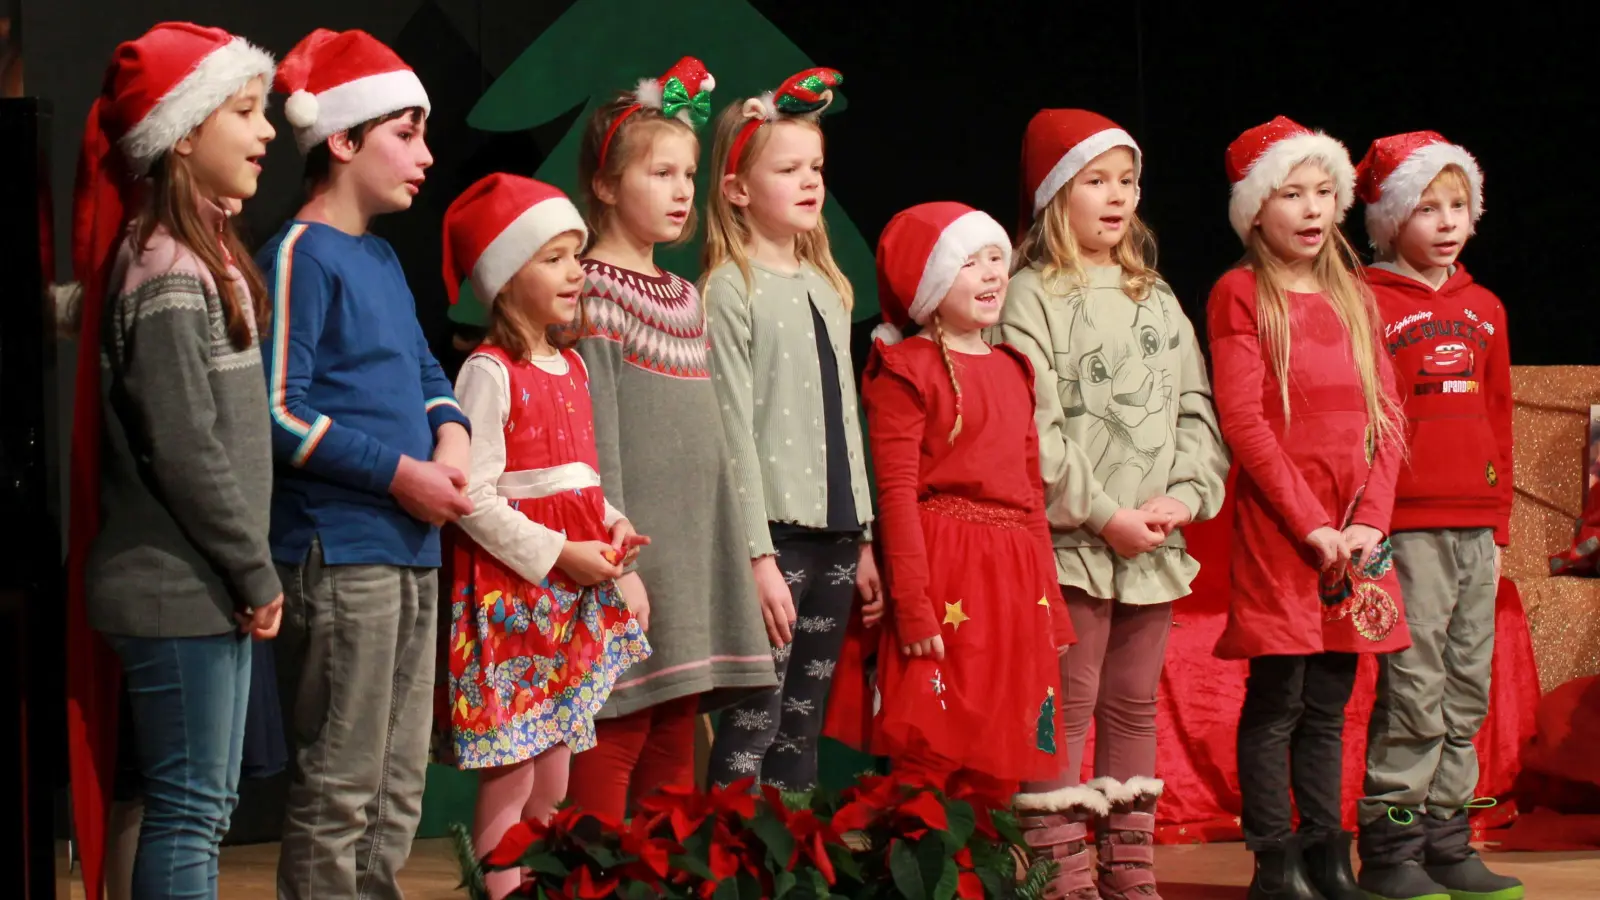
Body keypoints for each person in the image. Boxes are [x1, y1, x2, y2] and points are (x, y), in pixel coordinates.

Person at [258, 29, 473, 899]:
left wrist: (451, 441)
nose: (425, 155)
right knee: (342, 783)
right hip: (342, 550)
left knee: (396, 784)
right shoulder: (300, 254)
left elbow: (427, 374)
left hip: (411, 545)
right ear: (342, 140)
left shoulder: (379, 257)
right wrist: (401, 474)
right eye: (405, 133)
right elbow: (276, 409)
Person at [67, 22, 280, 899]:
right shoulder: (164, 268)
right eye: (245, 111)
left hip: (203, 586)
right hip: (174, 585)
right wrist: (255, 571)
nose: (267, 132)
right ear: (186, 132)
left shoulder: (203, 256)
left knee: (201, 807)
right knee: (191, 813)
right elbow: (186, 447)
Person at [998, 109, 1229, 900]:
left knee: (1132, 705)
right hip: (1077, 544)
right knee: (1070, 702)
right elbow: (1037, 433)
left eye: (1127, 181)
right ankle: (1060, 875)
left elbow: (1196, 408)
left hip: (1152, 542)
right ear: (1057, 191)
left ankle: (1129, 869)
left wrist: (1184, 497)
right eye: (1096, 181)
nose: (1117, 197)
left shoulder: (1155, 295)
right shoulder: (1029, 296)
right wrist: (1105, 516)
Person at [564, 57, 776, 819]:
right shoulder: (588, 290)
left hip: (693, 554)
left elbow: (715, 444)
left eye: (689, 173)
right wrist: (616, 557)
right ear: (605, 184)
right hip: (633, 558)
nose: (683, 190)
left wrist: (743, 555)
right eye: (661, 172)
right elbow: (597, 440)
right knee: (617, 730)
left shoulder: (686, 296)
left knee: (675, 745)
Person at [1208, 116, 1411, 900]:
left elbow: (1387, 419)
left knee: (1331, 700)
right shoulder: (1239, 292)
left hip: (1355, 534)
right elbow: (1247, 424)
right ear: (1257, 210)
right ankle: (1275, 859)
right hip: (1286, 532)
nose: (1311, 207)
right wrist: (1312, 524)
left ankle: (1330, 855)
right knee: (1280, 698)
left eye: (1325, 191)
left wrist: (1369, 521)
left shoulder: (1354, 292)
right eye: (1291, 193)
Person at [440, 173, 652, 899]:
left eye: (577, 255)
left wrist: (615, 529)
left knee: (555, 776)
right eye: (554, 258)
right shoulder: (490, 372)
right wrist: (559, 552)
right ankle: (499, 886)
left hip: (567, 604)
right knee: (514, 774)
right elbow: (471, 494)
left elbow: (581, 482)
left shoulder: (575, 367)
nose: (576, 272)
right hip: (513, 605)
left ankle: (539, 885)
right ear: (504, 280)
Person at [850, 201, 1073, 799]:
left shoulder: (1013, 369)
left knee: (1001, 752)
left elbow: (1030, 493)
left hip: (1013, 584)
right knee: (932, 749)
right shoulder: (907, 368)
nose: (992, 274)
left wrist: (1049, 602)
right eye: (970, 263)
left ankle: (986, 880)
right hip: (946, 571)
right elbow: (895, 495)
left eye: (998, 259)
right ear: (930, 283)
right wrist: (915, 607)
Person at [699, 67, 881, 792]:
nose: (811, 183)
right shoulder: (730, 288)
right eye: (788, 169)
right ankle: (727, 869)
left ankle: (789, 867)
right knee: (755, 717)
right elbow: (732, 432)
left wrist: (863, 534)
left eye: (817, 168)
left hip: (836, 531)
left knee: (802, 722)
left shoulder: (827, 285)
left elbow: (845, 418)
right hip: (774, 536)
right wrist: (755, 556)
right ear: (738, 189)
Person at [1355, 131, 1522, 900]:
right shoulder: (1366, 300)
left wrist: (1501, 518)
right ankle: (1394, 849)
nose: (1447, 221)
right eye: (1428, 207)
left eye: (1459, 206)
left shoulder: (1485, 306)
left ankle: (1450, 839)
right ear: (1391, 219)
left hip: (1475, 524)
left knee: (1467, 684)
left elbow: (1497, 411)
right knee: (1414, 686)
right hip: (1407, 524)